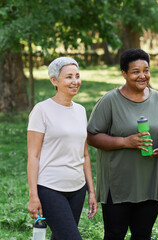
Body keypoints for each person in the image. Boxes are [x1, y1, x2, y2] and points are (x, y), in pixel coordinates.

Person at [87, 48, 158, 240]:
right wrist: (125, 142)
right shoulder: (110, 101)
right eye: (135, 71)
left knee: (143, 235)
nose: (142, 76)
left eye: (146, 70)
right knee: (114, 235)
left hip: (149, 184)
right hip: (118, 185)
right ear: (124, 73)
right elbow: (91, 136)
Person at [27, 57, 97, 240]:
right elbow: (33, 156)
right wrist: (33, 196)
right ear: (54, 81)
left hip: (77, 188)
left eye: (77, 76)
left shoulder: (81, 110)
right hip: (50, 188)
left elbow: (85, 155)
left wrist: (91, 191)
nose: (75, 81)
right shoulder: (41, 110)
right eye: (68, 77)